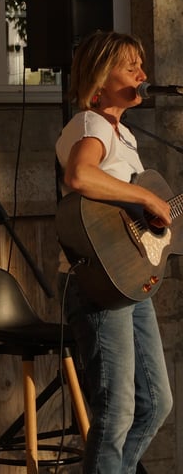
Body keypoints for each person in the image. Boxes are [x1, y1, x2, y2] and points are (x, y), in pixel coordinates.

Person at [56, 30, 173, 473]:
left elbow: (128, 210)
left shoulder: (124, 136)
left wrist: (156, 216)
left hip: (128, 278)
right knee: (118, 409)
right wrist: (146, 198)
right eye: (131, 67)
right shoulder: (92, 124)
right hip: (97, 283)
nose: (143, 75)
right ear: (100, 79)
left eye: (142, 65)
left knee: (156, 404)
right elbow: (80, 176)